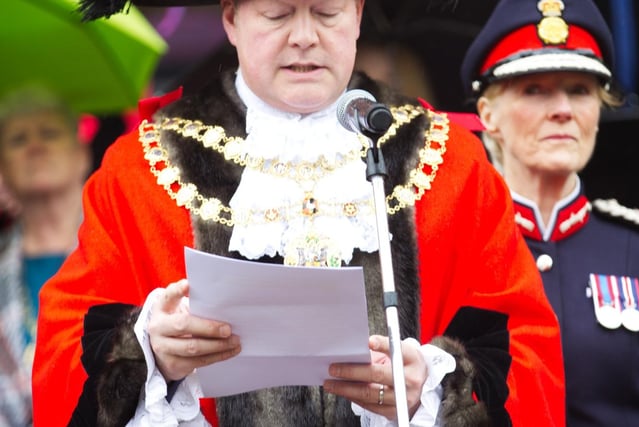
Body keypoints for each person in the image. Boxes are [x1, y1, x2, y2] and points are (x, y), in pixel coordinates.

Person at [33, 0, 565, 425]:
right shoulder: (141, 170)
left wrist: (432, 388)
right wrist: (148, 353)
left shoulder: (449, 161)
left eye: (327, 12)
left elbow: (529, 350)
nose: (304, 36)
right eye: (279, 13)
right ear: (232, 19)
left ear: (356, 16)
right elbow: (63, 349)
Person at [460, 0, 639, 425]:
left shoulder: (632, 245)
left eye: (580, 90)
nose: (562, 108)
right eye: (534, 89)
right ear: (488, 115)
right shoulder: (453, 249)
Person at [0, 86, 92, 426]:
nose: (35, 146)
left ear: (81, 154)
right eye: (18, 139)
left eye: (49, 133)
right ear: (2, 167)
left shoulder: (121, 250)